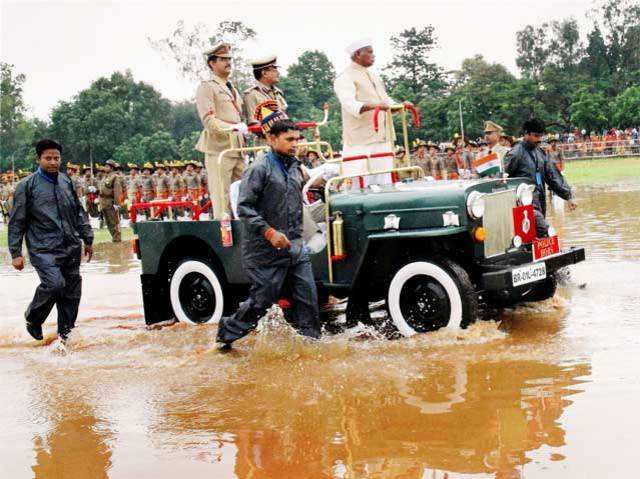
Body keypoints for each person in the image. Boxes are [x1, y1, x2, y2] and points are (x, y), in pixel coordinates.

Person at [216, 119, 321, 349]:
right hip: (264, 252)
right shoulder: (259, 168)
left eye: (297, 139)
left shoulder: (294, 166)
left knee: (308, 301)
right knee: (259, 303)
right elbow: (244, 207)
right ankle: (225, 337)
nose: (296, 144)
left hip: (294, 247)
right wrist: (269, 232)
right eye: (289, 139)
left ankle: (312, 349)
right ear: (272, 139)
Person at [8, 139, 93, 342]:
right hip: (43, 249)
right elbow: (17, 220)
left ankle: (66, 336)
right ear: (39, 159)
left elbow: (78, 212)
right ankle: (33, 318)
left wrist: (88, 238)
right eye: (48, 158)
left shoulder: (66, 182)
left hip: (70, 246)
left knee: (71, 292)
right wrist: (16, 253)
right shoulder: (26, 186)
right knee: (55, 285)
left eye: (56, 158)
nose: (53, 162)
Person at [195, 42, 248, 219]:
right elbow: (209, 121)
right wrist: (233, 128)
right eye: (223, 59)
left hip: (237, 148)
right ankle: (224, 242)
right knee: (222, 200)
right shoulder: (207, 87)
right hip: (219, 150)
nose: (228, 62)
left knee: (243, 195)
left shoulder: (231, 88)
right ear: (212, 63)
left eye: (229, 59)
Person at [333, 39, 394, 186]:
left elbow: (386, 102)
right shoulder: (344, 77)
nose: (374, 55)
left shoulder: (374, 77)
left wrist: (401, 105)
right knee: (360, 186)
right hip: (359, 144)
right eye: (370, 52)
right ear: (358, 54)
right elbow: (350, 104)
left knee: (385, 184)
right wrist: (375, 106)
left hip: (383, 139)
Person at [504, 119, 577, 237]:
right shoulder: (516, 153)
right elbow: (503, 178)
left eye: (540, 136)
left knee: (536, 240)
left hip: (540, 201)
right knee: (546, 233)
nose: (539, 139)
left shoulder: (540, 153)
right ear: (526, 134)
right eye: (536, 136)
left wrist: (568, 195)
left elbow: (552, 176)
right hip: (523, 206)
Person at [243, 55, 287, 128]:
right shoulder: (251, 95)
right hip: (266, 138)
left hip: (283, 137)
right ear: (264, 73)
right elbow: (254, 125)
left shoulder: (278, 93)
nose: (278, 73)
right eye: (274, 69)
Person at [99, 159, 125, 242]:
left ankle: (117, 238)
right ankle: (114, 238)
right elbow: (102, 189)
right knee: (108, 223)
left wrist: (117, 204)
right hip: (104, 202)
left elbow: (117, 191)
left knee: (114, 222)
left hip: (110, 202)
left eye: (107, 166)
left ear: (112, 168)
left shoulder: (115, 177)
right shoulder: (105, 177)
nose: (105, 168)